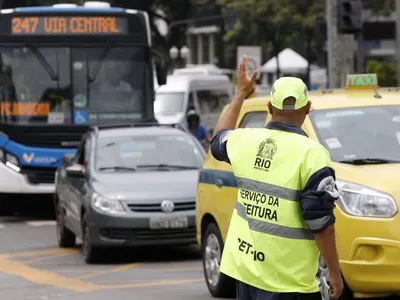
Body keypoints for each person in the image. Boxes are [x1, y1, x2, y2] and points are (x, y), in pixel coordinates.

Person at [210, 56, 344, 300]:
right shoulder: (312, 154)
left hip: (246, 271)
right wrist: (334, 272)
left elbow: (218, 140)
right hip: (288, 281)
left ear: (270, 109)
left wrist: (241, 93)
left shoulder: (245, 140)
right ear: (308, 108)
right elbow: (321, 223)